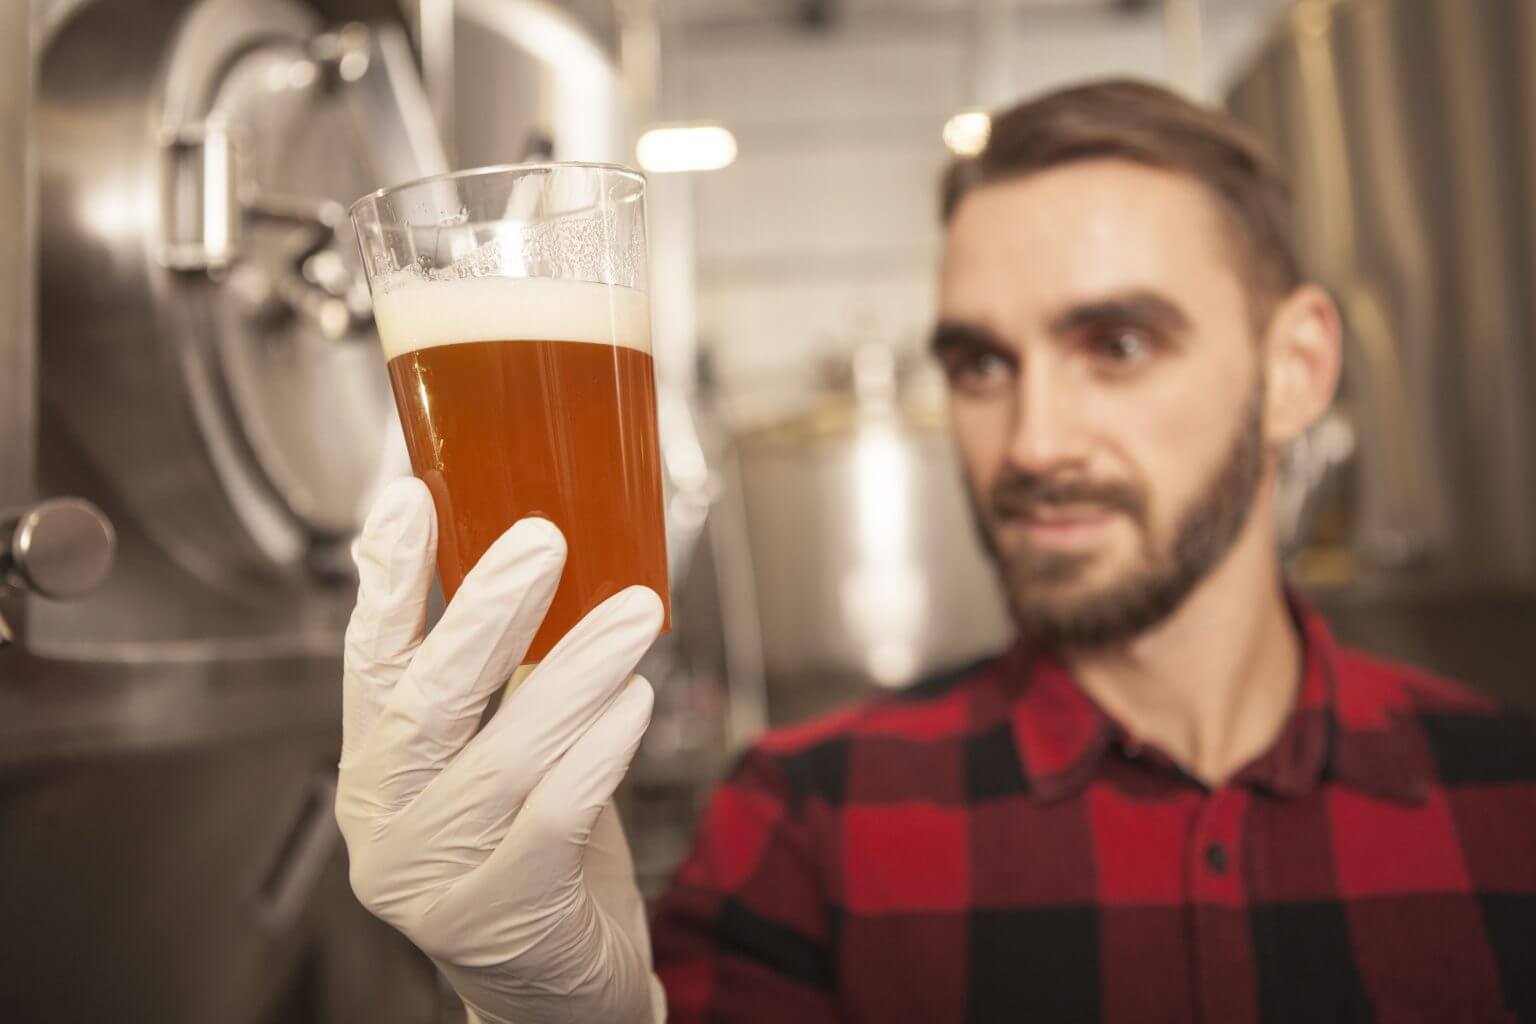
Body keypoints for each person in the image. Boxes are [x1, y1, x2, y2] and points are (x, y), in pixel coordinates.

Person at [334, 80, 1536, 1024]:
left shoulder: (1509, 801)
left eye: (1116, 342)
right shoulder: (806, 825)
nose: (1034, 441)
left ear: (1296, 371)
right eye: (979, 364)